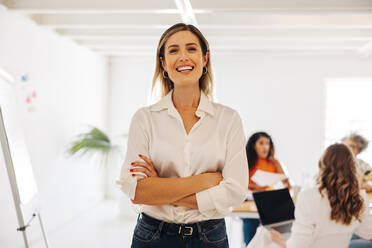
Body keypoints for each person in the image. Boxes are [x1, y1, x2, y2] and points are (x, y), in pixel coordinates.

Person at [116, 23, 248, 248]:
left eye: (191, 49)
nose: (183, 57)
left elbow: (235, 191)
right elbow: (135, 189)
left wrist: (158, 187)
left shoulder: (228, 119)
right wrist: (204, 181)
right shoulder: (145, 118)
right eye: (174, 50)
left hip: (210, 236)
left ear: (205, 59)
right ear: (163, 63)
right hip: (152, 236)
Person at [270, 143, 372, 248]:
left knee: (266, 239)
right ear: (352, 167)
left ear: (322, 165)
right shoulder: (359, 197)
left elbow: (298, 245)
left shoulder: (307, 196)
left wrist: (281, 241)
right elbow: (368, 232)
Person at [242, 132, 291, 245]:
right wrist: (255, 187)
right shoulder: (246, 162)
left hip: (269, 201)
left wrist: (287, 182)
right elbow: (239, 182)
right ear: (254, 146)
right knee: (250, 222)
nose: (265, 147)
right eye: (261, 143)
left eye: (267, 143)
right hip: (250, 201)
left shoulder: (274, 162)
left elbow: (287, 183)